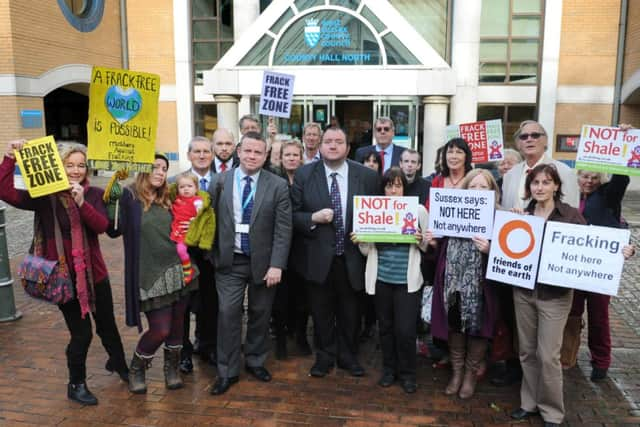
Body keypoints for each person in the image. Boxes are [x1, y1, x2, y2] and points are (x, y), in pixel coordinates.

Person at [0, 140, 128, 405]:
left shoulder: (93, 194)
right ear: (59, 166)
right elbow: (6, 191)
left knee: (107, 326)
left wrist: (82, 203)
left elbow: (102, 225)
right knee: (82, 333)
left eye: (81, 165)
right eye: (69, 165)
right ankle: (76, 383)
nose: (75, 170)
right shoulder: (45, 196)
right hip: (63, 279)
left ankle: (120, 365)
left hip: (95, 274)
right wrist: (10, 158)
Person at [508, 164, 632, 427]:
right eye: (535, 183)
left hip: (555, 296)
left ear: (556, 186)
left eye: (545, 182)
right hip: (524, 292)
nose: (540, 187)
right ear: (529, 187)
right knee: (527, 352)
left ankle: (552, 411)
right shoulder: (522, 215)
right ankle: (528, 402)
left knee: (548, 355)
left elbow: (592, 247)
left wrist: (620, 251)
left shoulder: (571, 215)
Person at [494, 120, 579, 387]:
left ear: (545, 139)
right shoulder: (510, 174)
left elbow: (573, 223)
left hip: (550, 275)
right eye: (523, 136)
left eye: (535, 135)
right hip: (516, 267)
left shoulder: (564, 172)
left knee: (547, 346)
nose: (528, 139)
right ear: (518, 142)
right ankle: (516, 372)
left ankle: (547, 391)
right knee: (517, 327)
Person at [208, 131, 292, 395]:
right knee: (228, 314)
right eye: (248, 150)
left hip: (264, 263)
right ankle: (227, 371)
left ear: (265, 155)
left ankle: (255, 361)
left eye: (258, 152)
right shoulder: (220, 181)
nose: (252, 156)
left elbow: (283, 229)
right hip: (229, 262)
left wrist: (277, 264)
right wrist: (212, 254)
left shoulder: (277, 185)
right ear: (238, 151)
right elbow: (209, 220)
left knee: (260, 314)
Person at [292, 127, 380, 378]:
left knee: (351, 312)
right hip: (317, 258)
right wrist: (313, 218)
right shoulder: (304, 174)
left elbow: (378, 214)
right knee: (321, 312)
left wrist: (369, 232)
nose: (332, 146)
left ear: (348, 147)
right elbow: (292, 215)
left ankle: (348, 356)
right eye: (327, 141)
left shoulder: (367, 176)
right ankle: (324, 356)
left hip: (352, 257)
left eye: (338, 141)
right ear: (319, 147)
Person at [108, 153, 194, 394]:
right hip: (149, 275)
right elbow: (113, 229)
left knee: (177, 326)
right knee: (160, 329)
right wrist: (113, 189)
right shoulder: (129, 196)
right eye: (155, 167)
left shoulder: (169, 196)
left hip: (178, 270)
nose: (160, 172)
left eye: (164, 168)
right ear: (144, 169)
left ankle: (172, 369)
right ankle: (137, 367)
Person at [353, 167, 429, 393]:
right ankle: (389, 370)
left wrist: (419, 239)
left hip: (407, 282)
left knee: (405, 330)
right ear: (383, 188)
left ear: (404, 188)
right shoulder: (374, 211)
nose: (393, 190)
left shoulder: (417, 211)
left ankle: (408, 373)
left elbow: (426, 246)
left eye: (398, 185)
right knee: (385, 328)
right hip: (381, 279)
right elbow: (367, 253)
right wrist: (361, 240)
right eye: (389, 185)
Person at [427, 169, 499, 399]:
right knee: (455, 323)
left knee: (478, 326)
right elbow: (436, 251)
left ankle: (470, 373)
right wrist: (432, 242)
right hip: (452, 279)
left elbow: (511, 253)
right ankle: (456, 372)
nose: (478, 191)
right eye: (473, 187)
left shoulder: (500, 218)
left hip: (480, 284)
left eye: (483, 187)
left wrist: (491, 250)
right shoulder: (452, 213)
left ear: (492, 192)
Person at [565, 168, 632, 380]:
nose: (589, 181)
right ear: (578, 178)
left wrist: (621, 146)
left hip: (598, 270)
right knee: (571, 315)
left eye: (595, 178)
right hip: (573, 267)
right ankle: (568, 355)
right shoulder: (571, 198)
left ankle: (601, 362)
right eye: (585, 177)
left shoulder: (606, 196)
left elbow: (620, 180)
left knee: (598, 316)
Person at [172, 136, 219, 374]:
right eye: (197, 151)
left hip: (210, 255)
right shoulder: (175, 183)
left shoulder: (221, 182)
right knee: (183, 304)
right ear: (189, 155)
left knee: (209, 303)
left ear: (212, 155)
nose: (202, 155)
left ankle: (207, 345)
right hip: (183, 255)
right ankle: (184, 352)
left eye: (206, 151)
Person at [271, 139, 311, 359]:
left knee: (302, 296)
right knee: (281, 298)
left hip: (303, 246)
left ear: (301, 157)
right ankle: (280, 339)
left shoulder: (308, 178)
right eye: (288, 155)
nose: (292, 158)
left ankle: (302, 335)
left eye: (296, 155)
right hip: (279, 246)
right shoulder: (274, 179)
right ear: (281, 157)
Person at [170, 172, 210, 284]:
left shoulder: (197, 201)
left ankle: (188, 269)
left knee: (181, 250)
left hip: (189, 233)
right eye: (182, 187)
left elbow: (202, 216)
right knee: (177, 250)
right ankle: (185, 267)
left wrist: (196, 222)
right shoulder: (177, 200)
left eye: (189, 186)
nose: (186, 189)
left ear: (196, 188)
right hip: (178, 231)